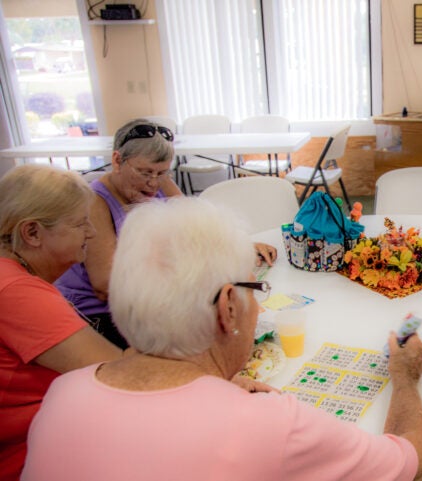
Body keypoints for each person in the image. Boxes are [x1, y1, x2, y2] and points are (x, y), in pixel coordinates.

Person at [23, 197, 422, 481]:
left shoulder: (63, 393)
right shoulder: (271, 423)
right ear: (228, 308)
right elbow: (414, 460)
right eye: (256, 289)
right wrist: (403, 376)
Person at [55, 118, 278, 348]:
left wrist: (238, 246)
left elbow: (197, 228)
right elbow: (106, 286)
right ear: (117, 160)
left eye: (162, 173)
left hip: (149, 302)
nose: (153, 183)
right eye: (145, 172)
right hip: (104, 317)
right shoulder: (95, 201)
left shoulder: (160, 182)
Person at [0, 165, 123, 481]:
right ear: (32, 232)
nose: (92, 233)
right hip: (28, 458)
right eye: (81, 223)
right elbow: (118, 375)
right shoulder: (16, 290)